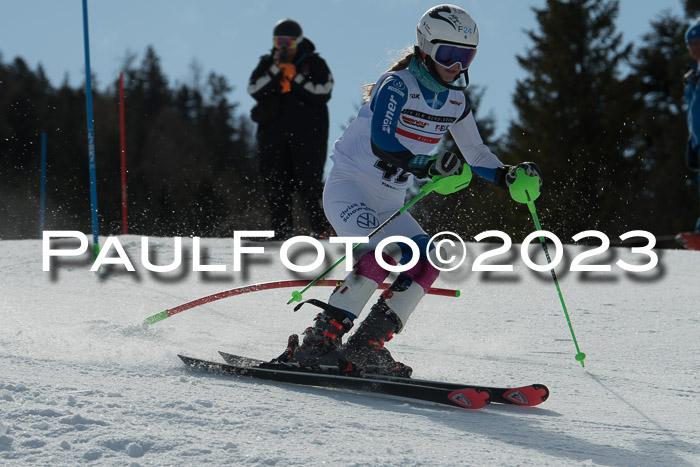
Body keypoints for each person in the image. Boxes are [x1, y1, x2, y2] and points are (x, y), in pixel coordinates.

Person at [277, 4, 543, 377]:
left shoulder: (456, 101)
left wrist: (506, 176)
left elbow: (477, 154)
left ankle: (365, 346)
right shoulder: (397, 85)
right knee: (390, 253)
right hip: (350, 188)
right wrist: (427, 165)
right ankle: (318, 344)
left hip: (390, 201)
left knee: (431, 258)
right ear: (425, 48)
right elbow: (382, 140)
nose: (457, 66)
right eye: (448, 54)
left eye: (465, 56)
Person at [248, 19, 333, 239]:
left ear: (299, 41)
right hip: (273, 135)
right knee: (274, 181)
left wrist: (295, 76)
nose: (284, 46)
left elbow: (324, 91)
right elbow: (253, 89)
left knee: (310, 182)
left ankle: (322, 230)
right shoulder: (267, 63)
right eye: (279, 41)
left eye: (289, 41)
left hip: (308, 134)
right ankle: (281, 231)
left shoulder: (314, 63)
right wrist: (277, 69)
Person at [683, 19, 700, 234]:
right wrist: (692, 142)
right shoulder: (691, 78)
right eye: (690, 43)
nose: (694, 47)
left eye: (698, 41)